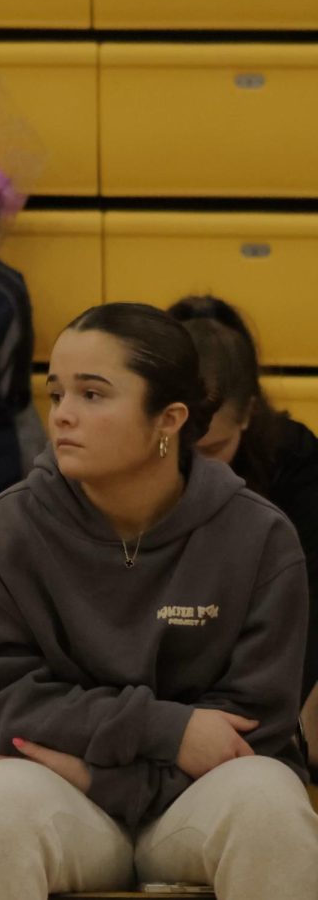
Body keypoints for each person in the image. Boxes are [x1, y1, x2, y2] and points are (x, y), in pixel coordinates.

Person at [0, 303, 318, 899]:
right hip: (59, 795)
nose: (62, 416)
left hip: (192, 800)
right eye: (57, 393)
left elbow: (253, 728)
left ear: (168, 418)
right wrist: (166, 729)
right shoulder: (5, 529)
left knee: (269, 799)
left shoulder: (260, 537)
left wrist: (100, 773)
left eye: (92, 395)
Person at [168, 294, 318, 768]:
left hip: (262, 662)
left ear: (249, 414)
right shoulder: (125, 461)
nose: (191, 466)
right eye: (175, 447)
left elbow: (309, 599)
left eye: (212, 449)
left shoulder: (293, 459)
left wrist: (272, 717)